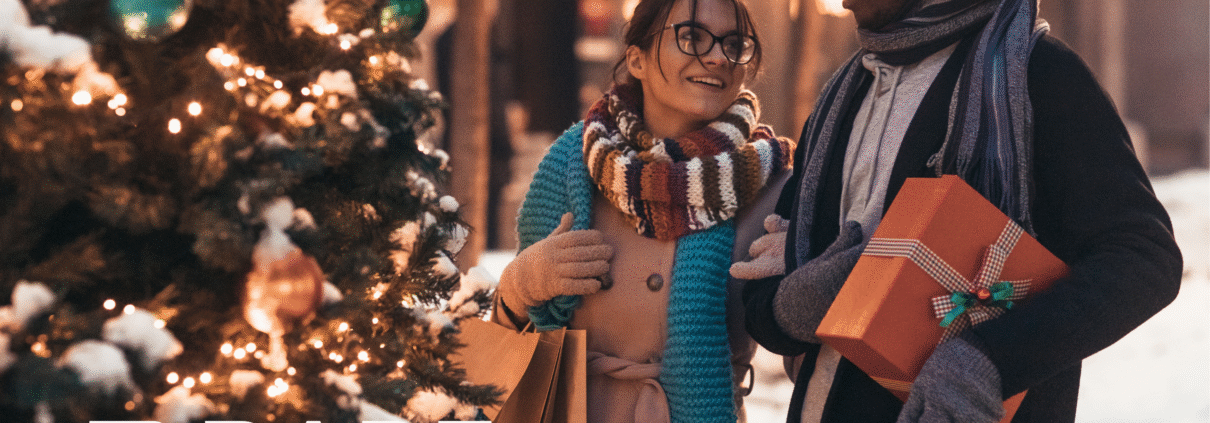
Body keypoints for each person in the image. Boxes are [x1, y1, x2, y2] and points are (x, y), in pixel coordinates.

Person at [733, 0, 1183, 422]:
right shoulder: (839, 100)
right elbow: (764, 304)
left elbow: (1144, 259)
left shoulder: (1038, 74)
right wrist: (795, 307)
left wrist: (989, 359)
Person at [490, 0, 795, 422]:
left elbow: (808, 360)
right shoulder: (572, 167)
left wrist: (804, 289)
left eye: (735, 44)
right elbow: (508, 343)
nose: (716, 56)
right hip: (564, 408)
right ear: (637, 59)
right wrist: (521, 284)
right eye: (691, 37)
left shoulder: (772, 186)